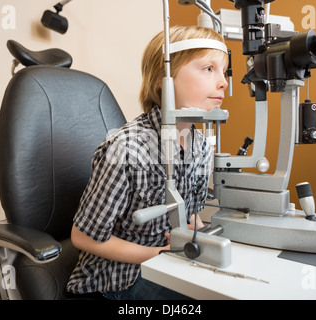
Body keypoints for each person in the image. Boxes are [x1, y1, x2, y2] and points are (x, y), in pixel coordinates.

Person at [66, 25, 229, 300]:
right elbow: (84, 237)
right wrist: (157, 255)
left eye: (224, 71)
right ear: (164, 80)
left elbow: (189, 215)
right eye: (208, 68)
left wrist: (204, 239)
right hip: (114, 284)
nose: (223, 81)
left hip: (168, 264)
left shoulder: (200, 145)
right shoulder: (126, 149)